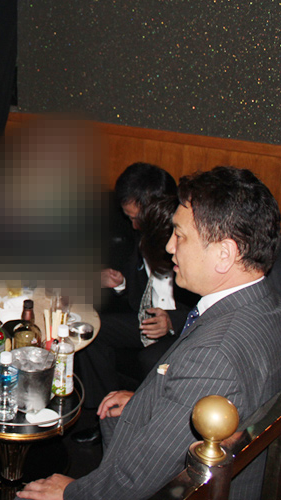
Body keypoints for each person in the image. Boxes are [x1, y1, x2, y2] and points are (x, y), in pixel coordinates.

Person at [17, 166, 281, 500]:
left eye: (180, 236)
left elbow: (135, 478)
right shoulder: (265, 304)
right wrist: (148, 402)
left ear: (224, 254)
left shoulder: (214, 357)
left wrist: (72, 492)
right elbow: (197, 399)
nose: (170, 246)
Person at [73, 163, 197, 444]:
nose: (133, 225)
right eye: (129, 218)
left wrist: (171, 321)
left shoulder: (188, 241)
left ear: (155, 208)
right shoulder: (143, 237)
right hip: (146, 318)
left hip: (182, 328)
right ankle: (105, 414)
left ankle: (145, 428)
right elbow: (141, 289)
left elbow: (208, 304)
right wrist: (121, 283)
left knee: (149, 358)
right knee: (91, 329)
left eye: (136, 218)